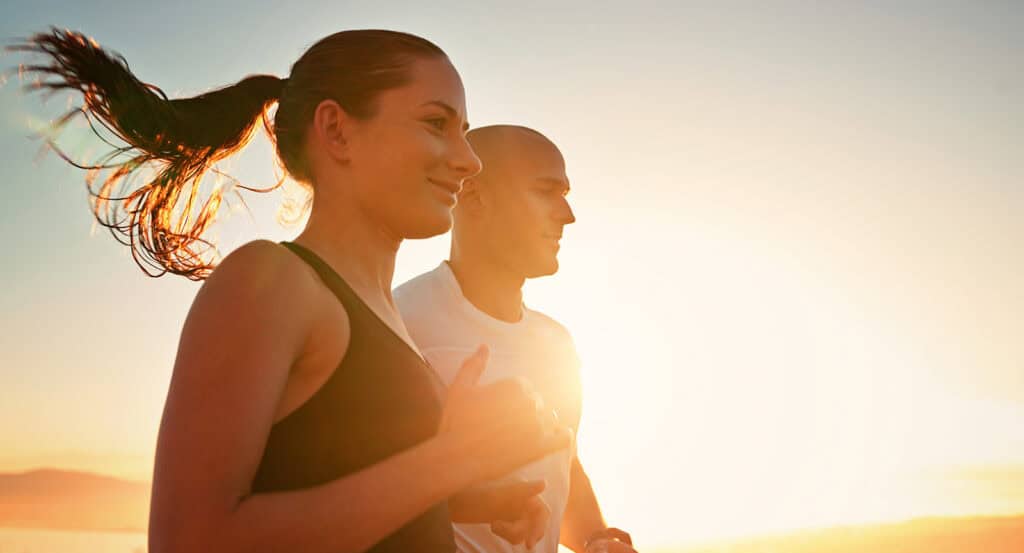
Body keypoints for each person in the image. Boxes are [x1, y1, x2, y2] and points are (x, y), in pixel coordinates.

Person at [14, 29, 572, 553]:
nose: (469, 161)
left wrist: (466, 498)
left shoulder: (385, 314)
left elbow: (328, 483)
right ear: (336, 130)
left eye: (466, 134)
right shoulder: (271, 282)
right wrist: (452, 460)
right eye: (436, 124)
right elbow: (191, 538)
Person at [395, 125, 637, 553]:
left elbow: (565, 465)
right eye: (547, 191)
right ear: (472, 196)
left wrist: (597, 540)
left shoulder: (557, 344)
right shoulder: (399, 323)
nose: (568, 214)